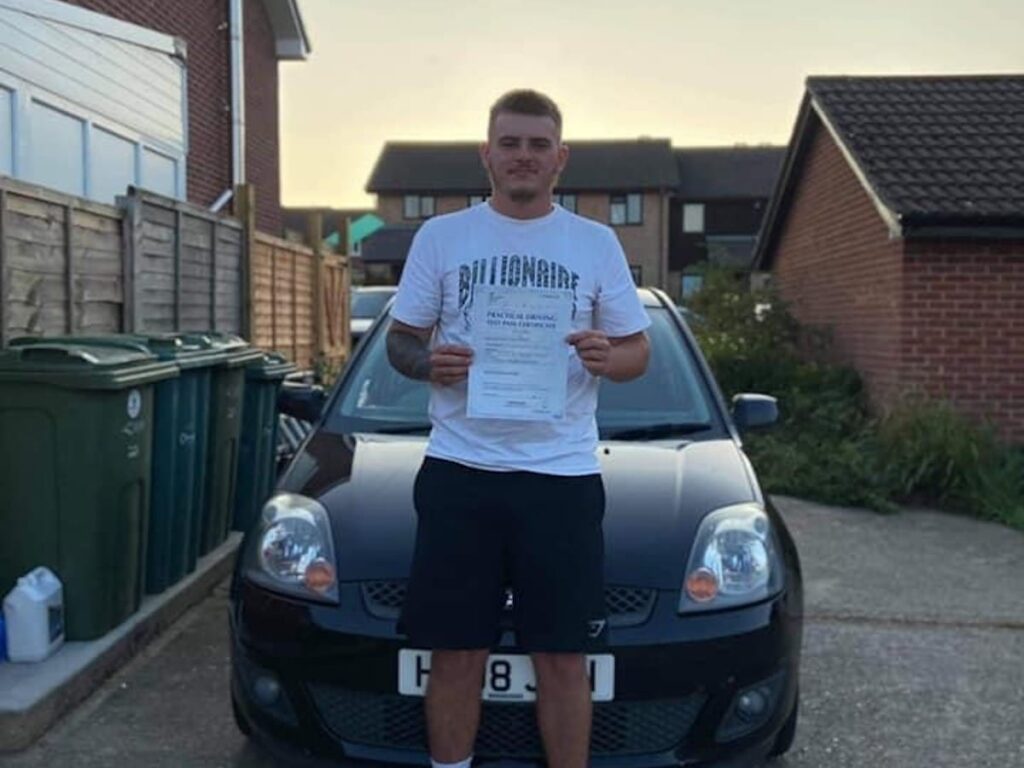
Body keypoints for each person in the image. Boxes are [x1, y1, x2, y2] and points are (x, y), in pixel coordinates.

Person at [386, 88, 651, 768]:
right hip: (460, 472)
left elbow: (638, 352)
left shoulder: (595, 243)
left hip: (561, 477)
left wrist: (609, 357)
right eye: (510, 143)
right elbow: (401, 340)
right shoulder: (442, 237)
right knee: (456, 652)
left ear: (561, 158)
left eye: (538, 145)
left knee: (563, 657)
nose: (523, 156)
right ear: (487, 154)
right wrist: (428, 364)